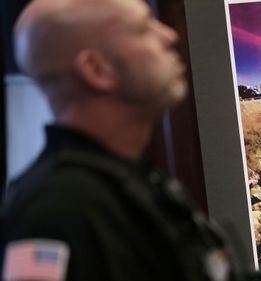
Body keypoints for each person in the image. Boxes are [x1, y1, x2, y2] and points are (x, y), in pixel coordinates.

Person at [1, 0, 234, 280]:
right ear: (97, 69)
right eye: (144, 28)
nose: (170, 36)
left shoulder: (134, 184)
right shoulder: (54, 210)